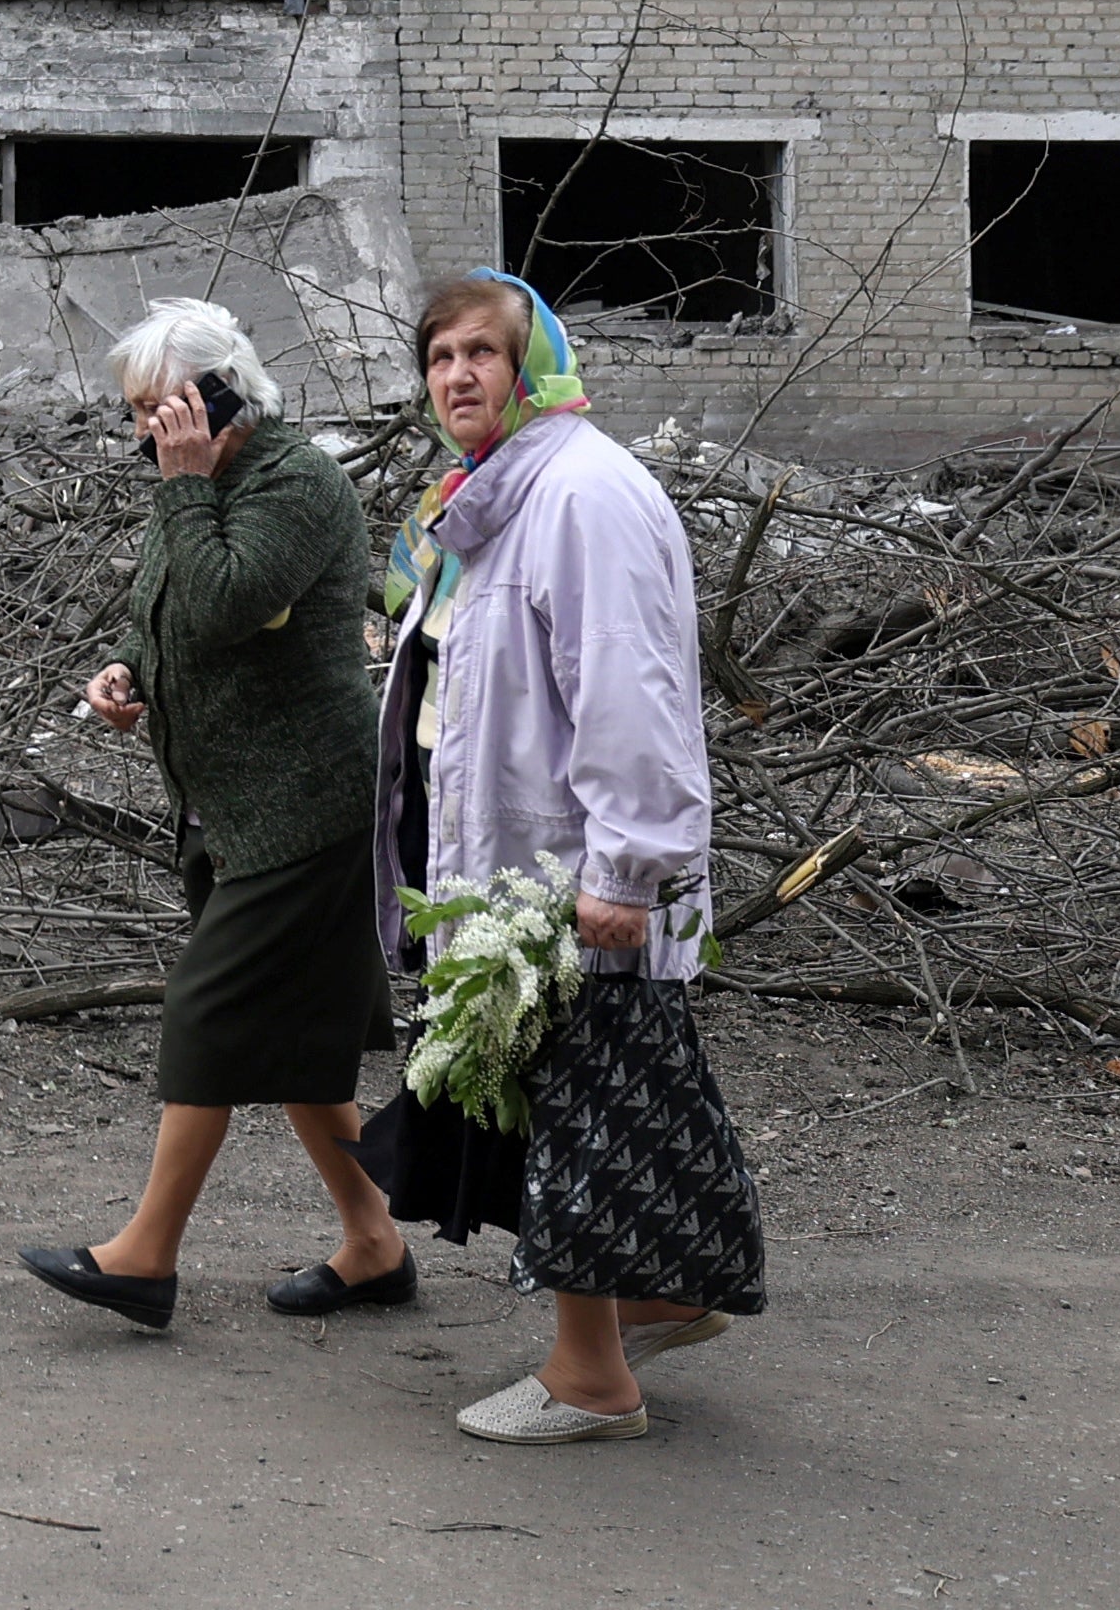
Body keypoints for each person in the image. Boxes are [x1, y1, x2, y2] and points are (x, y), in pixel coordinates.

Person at [370, 267, 767, 1444]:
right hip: (516, 862)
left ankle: (592, 1376)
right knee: (616, 1102)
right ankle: (662, 1294)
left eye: (480, 351)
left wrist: (625, 867)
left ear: (534, 361)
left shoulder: (579, 493)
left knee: (574, 1115)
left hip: (573, 873)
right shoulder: (491, 498)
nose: (455, 375)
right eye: (438, 356)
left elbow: (628, 688)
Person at [18, 297, 403, 1333]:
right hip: (231, 803)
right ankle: (374, 1242)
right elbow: (173, 612)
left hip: (307, 803)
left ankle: (144, 1257)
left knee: (210, 1013)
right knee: (295, 1043)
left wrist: (185, 489)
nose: (146, 427)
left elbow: (229, 598)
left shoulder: (293, 481)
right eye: (137, 410)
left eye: (160, 404)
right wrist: (125, 674)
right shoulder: (198, 481)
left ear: (219, 389)